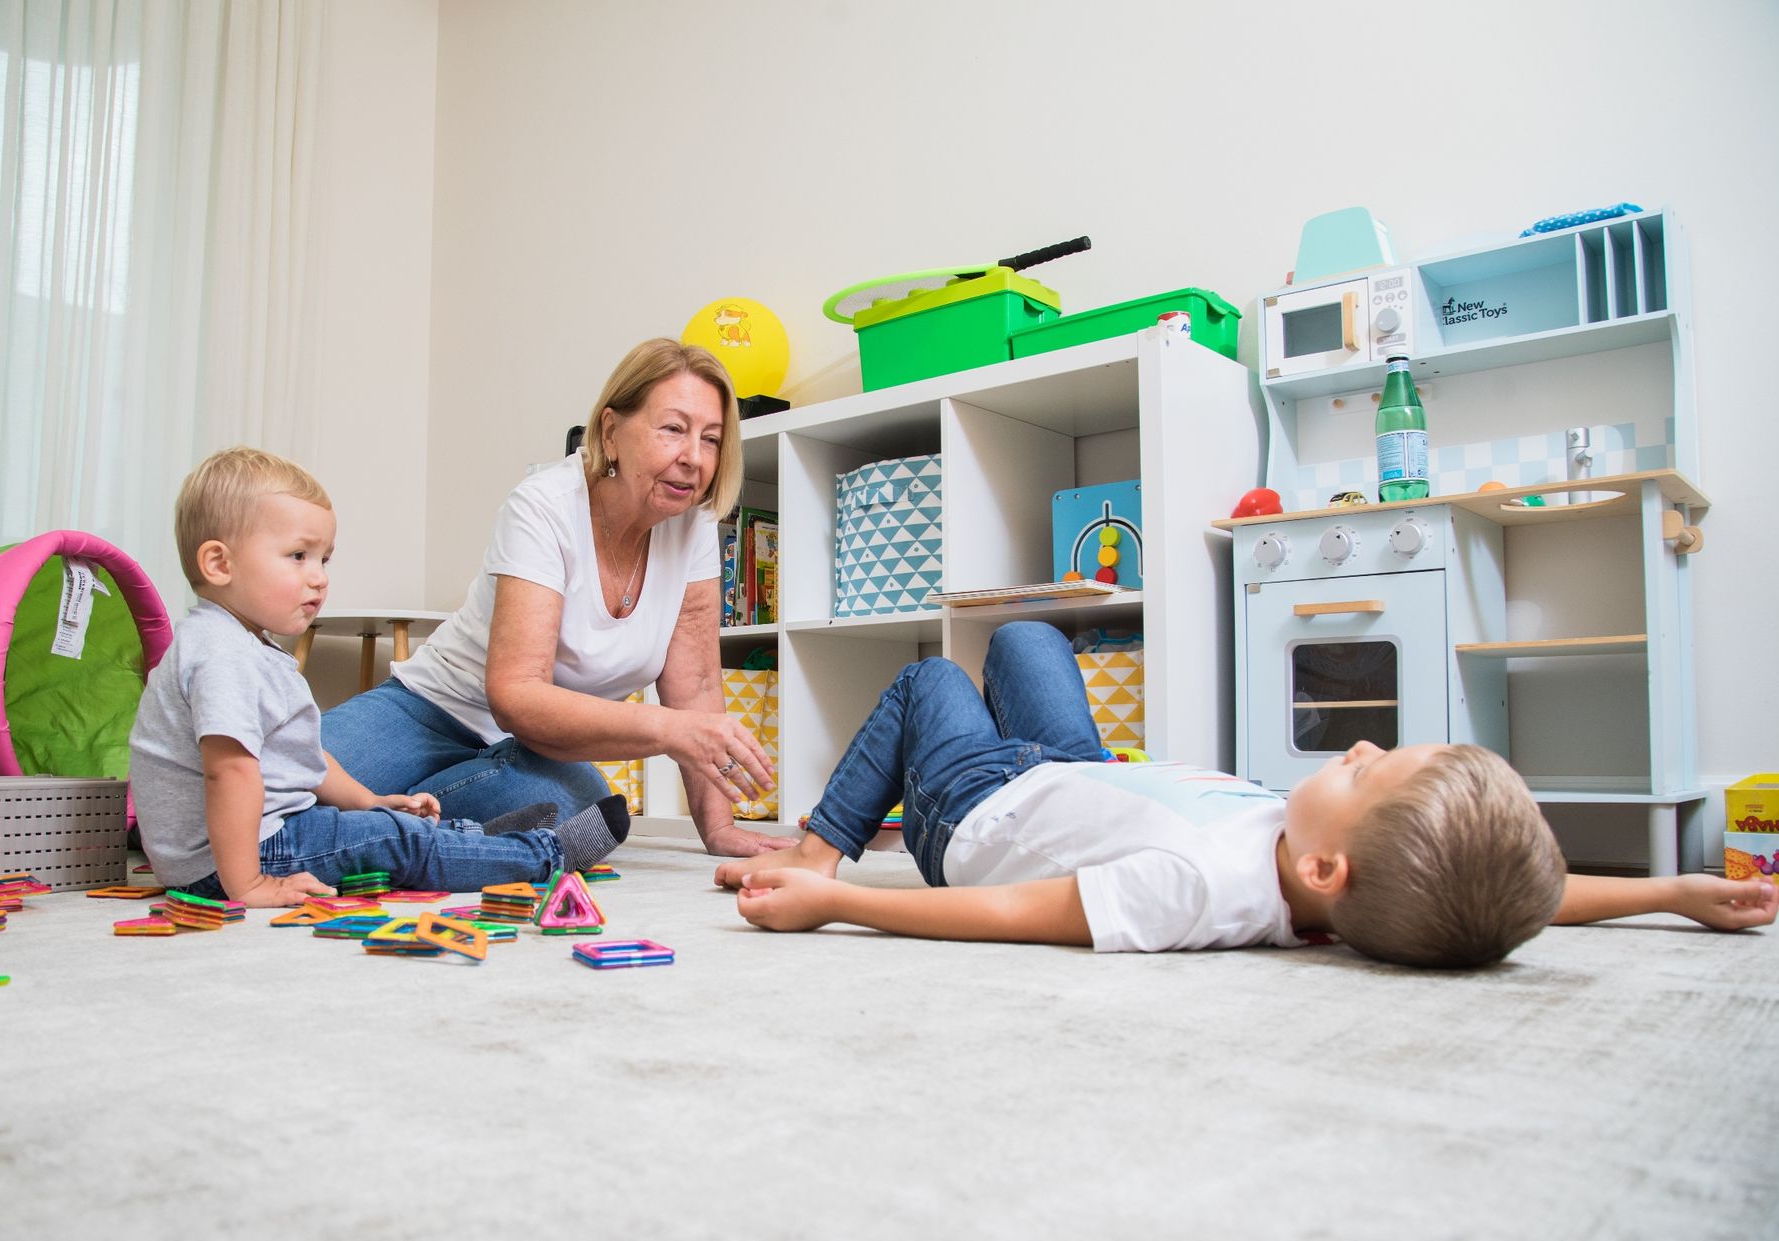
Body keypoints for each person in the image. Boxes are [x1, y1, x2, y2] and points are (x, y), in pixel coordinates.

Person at [716, 622, 1777, 967]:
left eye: (1366, 768)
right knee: (1028, 637)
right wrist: (1666, 892)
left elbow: (1008, 913)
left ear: (1324, 871)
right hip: (1072, 770)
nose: (1356, 745)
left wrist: (836, 900)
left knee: (929, 681)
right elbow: (1513, 888)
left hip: (981, 814)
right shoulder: (1344, 861)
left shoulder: (1199, 887)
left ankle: (813, 845)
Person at [322, 338, 797, 858]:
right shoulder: (544, 506)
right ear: (612, 432)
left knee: (583, 810)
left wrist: (718, 829)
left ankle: (374, 826)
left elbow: (698, 686)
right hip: (429, 713)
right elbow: (517, 696)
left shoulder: (695, 528)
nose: (693, 457)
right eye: (673, 430)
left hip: (533, 753)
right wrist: (671, 731)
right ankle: (392, 831)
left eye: (711, 439)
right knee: (261, 789)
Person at [129, 447, 629, 908]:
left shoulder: (246, 647)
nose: (319, 576)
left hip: (265, 836)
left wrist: (370, 800)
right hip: (234, 861)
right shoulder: (220, 655)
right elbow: (229, 773)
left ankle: (469, 841)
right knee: (398, 842)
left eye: (324, 558)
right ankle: (542, 855)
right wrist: (249, 885)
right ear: (219, 563)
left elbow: (306, 758)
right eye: (298, 556)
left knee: (383, 823)